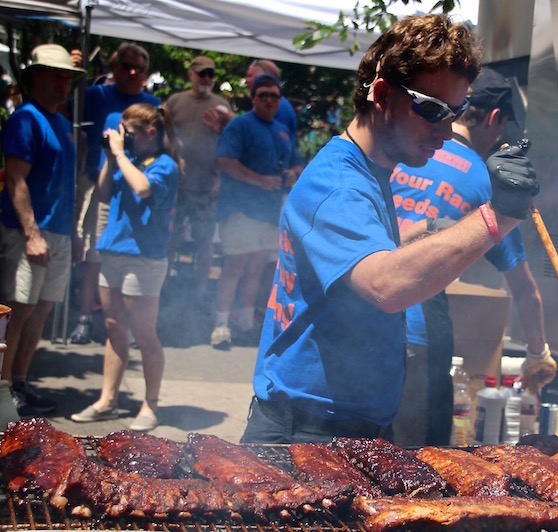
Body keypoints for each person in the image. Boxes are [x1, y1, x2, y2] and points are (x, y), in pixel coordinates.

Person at [240, 13, 539, 445]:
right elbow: (386, 285)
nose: (446, 131)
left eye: (455, 112)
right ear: (382, 94)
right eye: (433, 110)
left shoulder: (377, 169)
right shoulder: (337, 184)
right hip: (305, 434)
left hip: (349, 427)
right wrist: (498, 216)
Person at [389, 67, 555, 446]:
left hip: (363, 324)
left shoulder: (403, 153)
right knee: (417, 462)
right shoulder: (484, 180)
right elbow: (525, 290)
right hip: (418, 336)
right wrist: (537, 352)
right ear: (495, 118)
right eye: (502, 128)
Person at [71, 103, 181, 431]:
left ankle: (151, 403)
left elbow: (143, 188)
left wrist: (119, 155)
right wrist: (110, 156)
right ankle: (107, 400)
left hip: (144, 258)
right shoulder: (125, 160)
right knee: (113, 326)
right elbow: (104, 194)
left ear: (150, 132)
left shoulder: (165, 165)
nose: (123, 138)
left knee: (143, 332)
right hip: (114, 252)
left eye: (128, 132)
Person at [0, 44, 86, 417]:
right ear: (36, 76)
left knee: (40, 313)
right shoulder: (26, 119)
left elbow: (66, 186)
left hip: (59, 232)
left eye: (67, 76)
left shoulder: (63, 124)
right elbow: (16, 180)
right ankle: (4, 392)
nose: (63, 82)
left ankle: (20, 383)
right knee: (19, 313)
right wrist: (32, 234)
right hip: (28, 233)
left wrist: (75, 233)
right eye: (55, 74)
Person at [69, 42, 160, 345]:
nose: (132, 72)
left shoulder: (153, 104)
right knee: (95, 253)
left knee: (132, 254)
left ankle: (130, 326)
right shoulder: (97, 95)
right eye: (125, 66)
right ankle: (84, 319)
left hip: (137, 188)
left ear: (146, 73)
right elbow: (66, 111)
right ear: (114, 68)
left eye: (139, 68)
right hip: (101, 183)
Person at [210, 73, 303, 350]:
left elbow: (297, 164)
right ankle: (221, 325)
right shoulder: (240, 125)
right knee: (234, 267)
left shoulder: (282, 130)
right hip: (239, 210)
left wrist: (291, 174)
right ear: (253, 98)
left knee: (256, 270)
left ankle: (247, 324)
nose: (270, 100)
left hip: (268, 213)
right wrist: (260, 180)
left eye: (275, 96)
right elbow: (225, 161)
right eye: (264, 95)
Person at [165, 56, 233, 299]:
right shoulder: (175, 101)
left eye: (210, 74)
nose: (206, 79)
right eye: (202, 73)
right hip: (177, 184)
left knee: (204, 241)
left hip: (207, 185)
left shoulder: (222, 105)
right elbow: (165, 137)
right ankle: (164, 286)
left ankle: (200, 292)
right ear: (191, 74)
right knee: (169, 237)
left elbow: (230, 145)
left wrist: (220, 180)